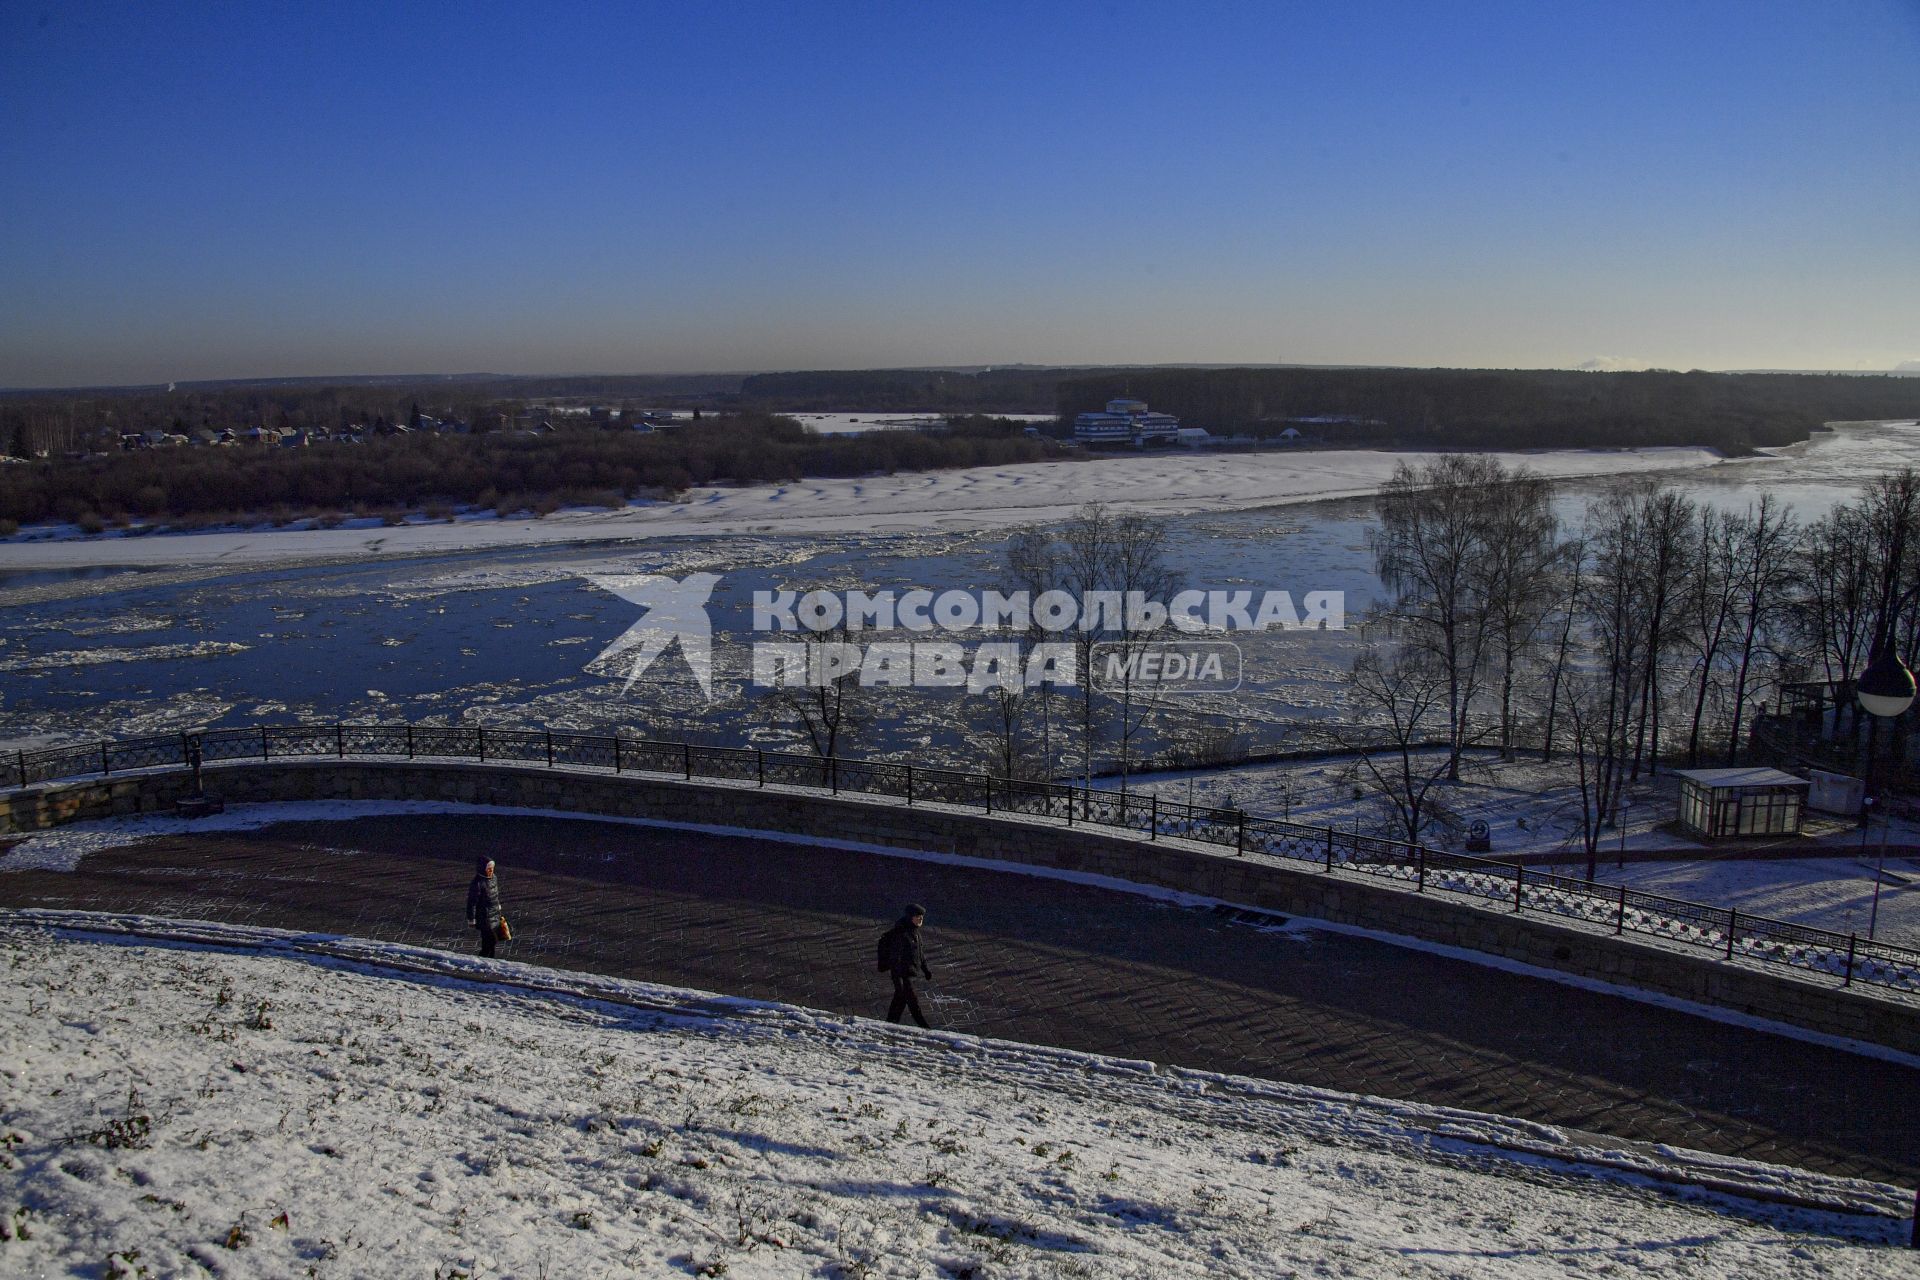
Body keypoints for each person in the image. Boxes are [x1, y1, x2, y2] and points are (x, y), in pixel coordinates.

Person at [881, 903, 933, 1028]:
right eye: (917, 916)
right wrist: (898, 981)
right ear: (910, 917)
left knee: (900, 1000)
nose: (921, 919)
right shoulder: (901, 935)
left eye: (921, 916)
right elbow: (895, 959)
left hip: (911, 973)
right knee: (913, 1002)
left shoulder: (916, 933)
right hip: (903, 975)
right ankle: (925, 1027)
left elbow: (920, 954)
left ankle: (889, 1024)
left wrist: (926, 970)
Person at [466, 858, 504, 957]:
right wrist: (471, 919)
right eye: (489, 869)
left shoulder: (493, 878)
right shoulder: (477, 883)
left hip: (494, 913)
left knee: (493, 940)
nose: (491, 871)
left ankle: (489, 959)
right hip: (484, 916)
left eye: (492, 868)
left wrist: (497, 906)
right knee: (488, 940)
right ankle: (484, 959)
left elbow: (495, 894)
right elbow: (472, 902)